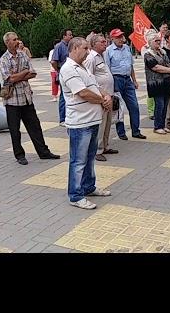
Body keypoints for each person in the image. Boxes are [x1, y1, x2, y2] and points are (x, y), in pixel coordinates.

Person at [60, 37, 113, 210]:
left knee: (89, 158)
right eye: (85, 48)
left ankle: (89, 187)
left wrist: (106, 96)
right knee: (78, 161)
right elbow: (83, 92)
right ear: (74, 48)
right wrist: (102, 101)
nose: (88, 51)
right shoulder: (68, 68)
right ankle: (75, 195)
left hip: (92, 120)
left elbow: (94, 87)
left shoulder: (83, 67)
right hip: (80, 123)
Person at [0, 32, 60, 165]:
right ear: (7, 43)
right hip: (12, 100)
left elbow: (33, 73)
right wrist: (23, 73)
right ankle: (19, 155)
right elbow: (9, 79)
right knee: (15, 130)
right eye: (14, 40)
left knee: (35, 126)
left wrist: (19, 75)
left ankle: (43, 152)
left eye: (17, 39)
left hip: (26, 97)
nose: (17, 41)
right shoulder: (3, 60)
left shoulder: (23, 55)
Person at [107, 28, 146, 140]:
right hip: (116, 79)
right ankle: (121, 132)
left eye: (121, 36)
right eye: (118, 37)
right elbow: (108, 69)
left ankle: (136, 130)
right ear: (112, 38)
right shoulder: (109, 51)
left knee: (134, 105)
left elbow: (131, 66)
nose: (120, 39)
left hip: (127, 79)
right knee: (119, 107)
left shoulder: (127, 48)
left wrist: (134, 80)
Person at [84, 33, 118, 161]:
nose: (105, 44)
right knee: (101, 124)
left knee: (108, 123)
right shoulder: (91, 58)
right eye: (102, 42)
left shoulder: (102, 56)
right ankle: (97, 150)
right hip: (101, 98)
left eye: (105, 41)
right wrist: (99, 95)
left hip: (109, 95)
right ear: (94, 44)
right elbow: (89, 78)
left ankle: (105, 146)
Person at [144, 31, 170, 134]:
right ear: (150, 42)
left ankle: (162, 125)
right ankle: (157, 126)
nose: (158, 42)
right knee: (159, 105)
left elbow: (169, 62)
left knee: (165, 104)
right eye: (156, 41)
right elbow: (156, 67)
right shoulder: (148, 54)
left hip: (166, 82)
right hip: (156, 83)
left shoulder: (162, 52)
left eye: (159, 40)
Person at [51, 29, 74, 125]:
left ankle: (71, 116)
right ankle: (62, 119)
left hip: (72, 73)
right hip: (63, 73)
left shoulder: (71, 46)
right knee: (63, 96)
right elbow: (53, 61)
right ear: (64, 36)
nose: (71, 36)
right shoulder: (59, 46)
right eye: (69, 35)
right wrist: (59, 71)